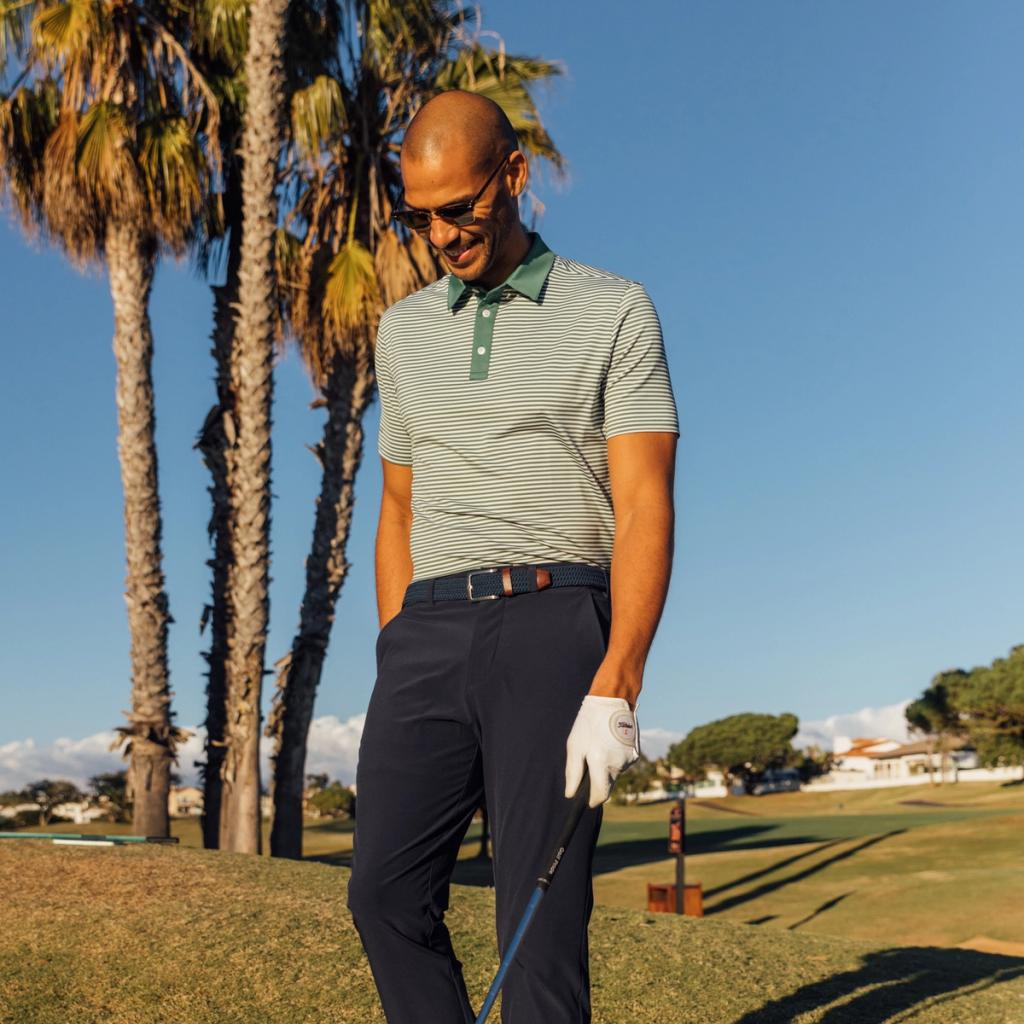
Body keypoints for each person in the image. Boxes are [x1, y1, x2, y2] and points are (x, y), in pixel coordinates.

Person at [346, 89, 679, 1024]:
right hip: (427, 633)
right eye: (421, 216)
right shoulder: (402, 332)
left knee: (537, 931)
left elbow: (644, 500)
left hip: (554, 623)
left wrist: (618, 679)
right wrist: (396, 643)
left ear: (515, 175)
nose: (443, 236)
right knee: (381, 895)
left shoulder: (614, 310)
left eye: (460, 208)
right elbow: (399, 506)